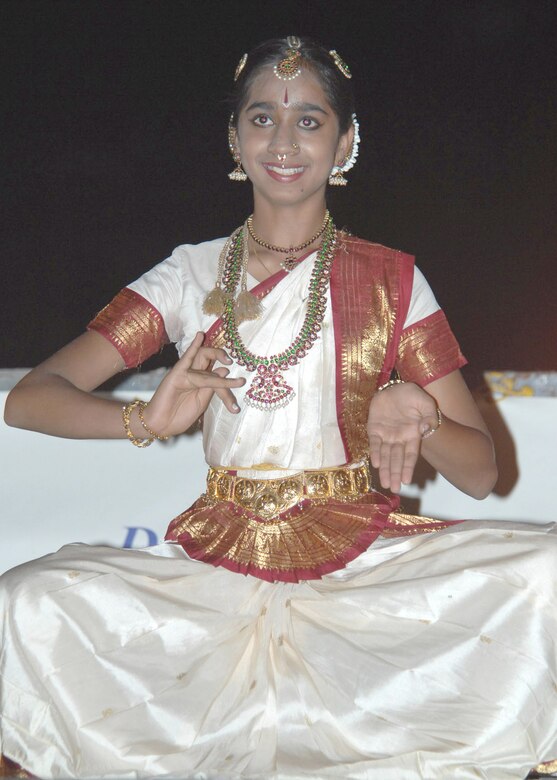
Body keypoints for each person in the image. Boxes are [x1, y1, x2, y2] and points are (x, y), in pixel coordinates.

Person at [1, 36, 556, 780]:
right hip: (217, 568)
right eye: (262, 119)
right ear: (234, 138)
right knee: (27, 603)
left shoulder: (391, 283)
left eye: (310, 121)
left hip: (359, 566)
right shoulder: (187, 275)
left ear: (345, 141)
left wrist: (417, 406)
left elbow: (482, 473)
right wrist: (144, 421)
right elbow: (31, 401)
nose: (284, 142)